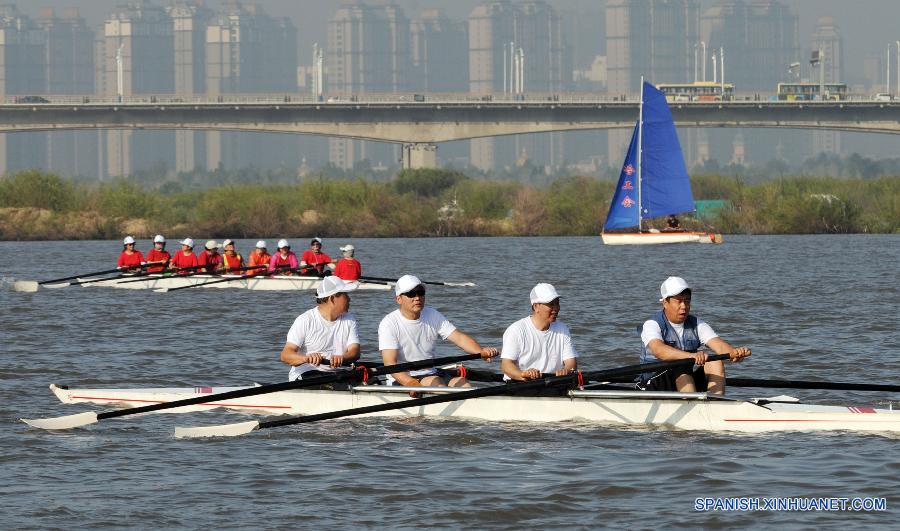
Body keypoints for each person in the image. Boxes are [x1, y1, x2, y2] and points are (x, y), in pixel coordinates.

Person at [378, 274, 498, 391]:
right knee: (438, 385)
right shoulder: (389, 323)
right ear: (399, 299)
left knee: (464, 384)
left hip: (432, 373)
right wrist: (410, 383)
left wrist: (480, 351)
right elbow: (390, 364)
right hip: (403, 379)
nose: (417, 298)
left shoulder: (432, 314)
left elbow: (459, 338)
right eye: (411, 294)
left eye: (420, 292)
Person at [638, 276, 751, 395]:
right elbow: (659, 351)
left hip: (684, 381)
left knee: (715, 361)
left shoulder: (697, 324)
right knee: (682, 365)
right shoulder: (652, 324)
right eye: (679, 301)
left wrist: (735, 353)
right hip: (654, 384)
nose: (684, 306)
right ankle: (692, 405)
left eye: (687, 301)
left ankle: (715, 401)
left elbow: (719, 346)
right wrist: (692, 356)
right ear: (665, 302)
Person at [279, 276, 360, 383]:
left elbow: (355, 352)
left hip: (340, 373)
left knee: (374, 380)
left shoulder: (350, 319)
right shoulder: (305, 320)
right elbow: (285, 355)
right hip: (309, 372)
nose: (349, 299)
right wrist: (306, 358)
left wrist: (342, 357)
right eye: (345, 294)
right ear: (332, 299)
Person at [501, 283, 578, 382]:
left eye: (557, 303)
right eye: (551, 304)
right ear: (536, 306)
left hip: (552, 383)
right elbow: (506, 365)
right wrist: (523, 374)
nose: (556, 308)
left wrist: (566, 370)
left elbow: (571, 362)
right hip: (520, 384)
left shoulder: (562, 329)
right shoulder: (516, 330)